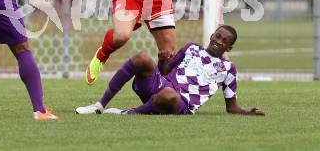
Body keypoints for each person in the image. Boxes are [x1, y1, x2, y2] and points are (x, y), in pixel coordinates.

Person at [76, 25, 265, 116]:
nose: (218, 41)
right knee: (142, 57)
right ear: (212, 35)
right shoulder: (191, 48)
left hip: (180, 104)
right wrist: (160, 60)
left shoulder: (228, 69)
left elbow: (231, 107)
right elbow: (164, 72)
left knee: (169, 94)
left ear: (229, 48)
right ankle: (99, 106)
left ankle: (129, 113)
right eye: (218, 36)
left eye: (224, 41)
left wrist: (248, 112)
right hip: (162, 86)